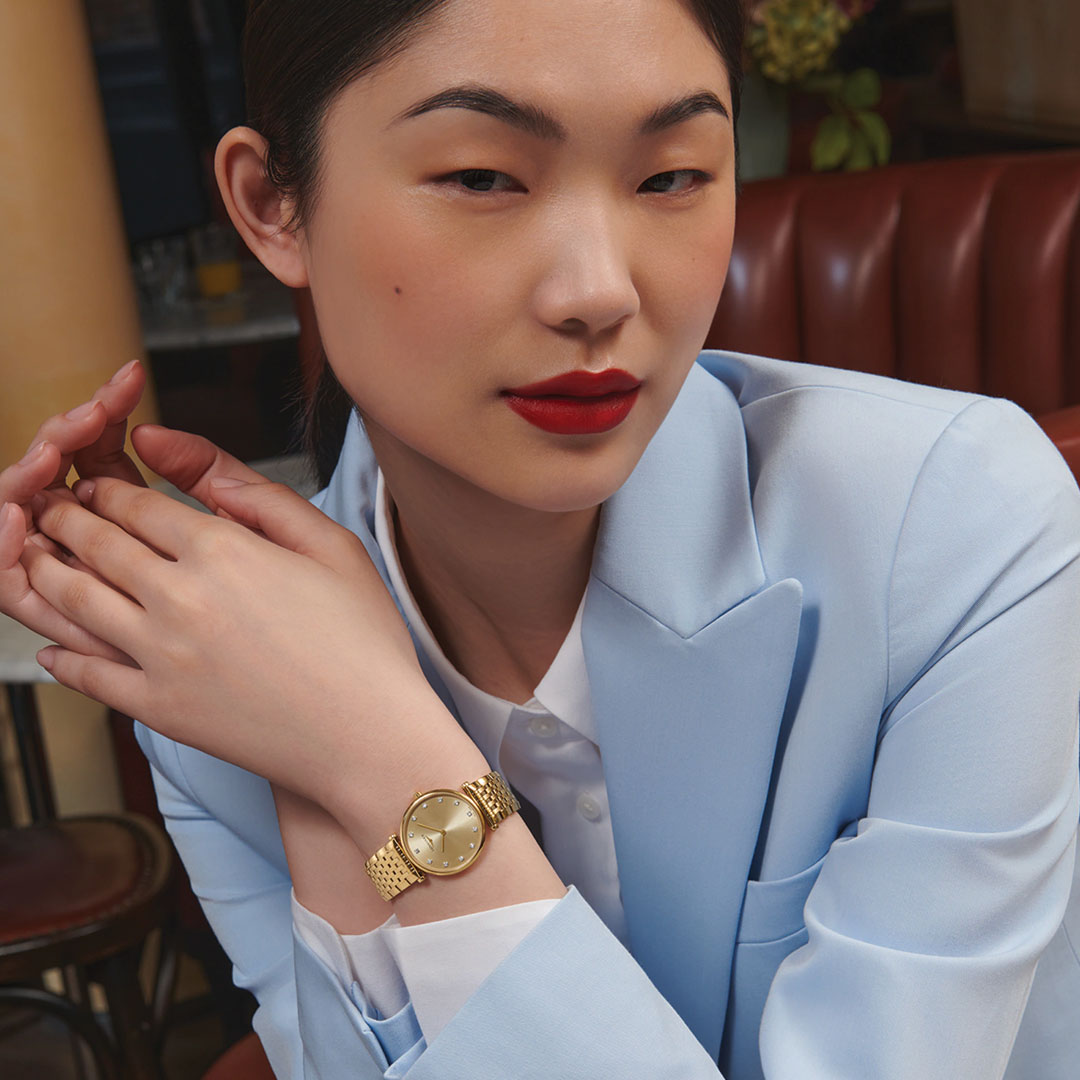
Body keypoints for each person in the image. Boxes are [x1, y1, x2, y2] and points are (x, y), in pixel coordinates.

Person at [1, 1, 1078, 1076]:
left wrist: (383, 764)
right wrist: (327, 760)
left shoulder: (956, 528)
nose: (599, 290)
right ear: (272, 204)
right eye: (483, 177)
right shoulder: (222, 663)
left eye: (671, 177)